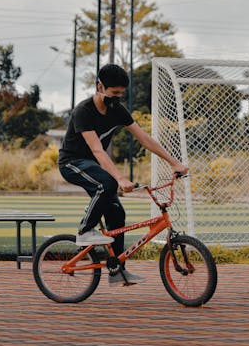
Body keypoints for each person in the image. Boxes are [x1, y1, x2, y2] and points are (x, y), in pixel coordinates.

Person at [58, 63, 188, 286]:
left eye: (121, 93)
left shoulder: (117, 110)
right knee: (106, 184)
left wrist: (174, 162)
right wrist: (119, 178)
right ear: (100, 86)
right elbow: (98, 150)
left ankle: (117, 270)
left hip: (92, 166)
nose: (117, 98)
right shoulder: (84, 111)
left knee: (117, 214)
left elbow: (144, 139)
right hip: (72, 163)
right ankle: (85, 230)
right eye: (114, 93)